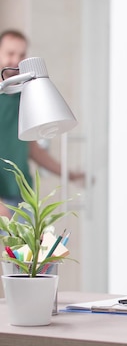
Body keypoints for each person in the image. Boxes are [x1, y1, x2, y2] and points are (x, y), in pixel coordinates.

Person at [0, 29, 84, 218]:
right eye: (10, 53)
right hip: (2, 200)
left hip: (22, 196)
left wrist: (68, 174)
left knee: (34, 247)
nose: (16, 60)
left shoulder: (22, 97)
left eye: (21, 55)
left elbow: (32, 149)